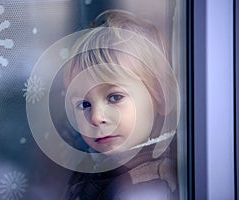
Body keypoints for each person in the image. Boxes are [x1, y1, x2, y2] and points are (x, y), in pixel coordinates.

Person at [62, 9, 180, 200]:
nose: (96, 118)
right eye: (84, 104)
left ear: (163, 97)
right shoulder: (94, 169)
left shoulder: (151, 187)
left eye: (115, 97)